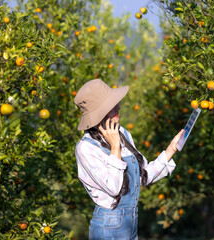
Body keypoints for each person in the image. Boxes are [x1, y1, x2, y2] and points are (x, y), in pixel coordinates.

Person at [74, 79, 184, 240]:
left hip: (130, 223)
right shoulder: (86, 148)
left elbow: (142, 177)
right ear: (100, 112)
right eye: (112, 105)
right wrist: (115, 148)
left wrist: (171, 149)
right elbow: (114, 188)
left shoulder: (123, 132)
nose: (118, 107)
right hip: (108, 227)